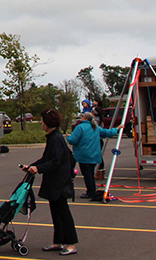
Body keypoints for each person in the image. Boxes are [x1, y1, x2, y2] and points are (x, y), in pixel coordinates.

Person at [24, 109, 78, 256]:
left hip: (59, 183)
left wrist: (38, 168)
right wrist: (31, 167)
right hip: (54, 182)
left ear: (47, 123)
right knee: (55, 212)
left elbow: (55, 162)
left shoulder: (56, 139)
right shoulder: (53, 137)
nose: (41, 124)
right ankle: (58, 241)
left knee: (63, 212)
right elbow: (45, 159)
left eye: (42, 121)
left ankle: (71, 243)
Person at [68, 111, 119, 199]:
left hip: (84, 155)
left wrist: (68, 137)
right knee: (90, 173)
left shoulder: (80, 127)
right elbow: (107, 132)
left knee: (87, 174)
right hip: (94, 155)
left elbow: (73, 140)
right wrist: (117, 129)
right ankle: (91, 190)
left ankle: (91, 191)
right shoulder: (96, 128)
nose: (81, 118)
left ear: (86, 119)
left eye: (83, 117)